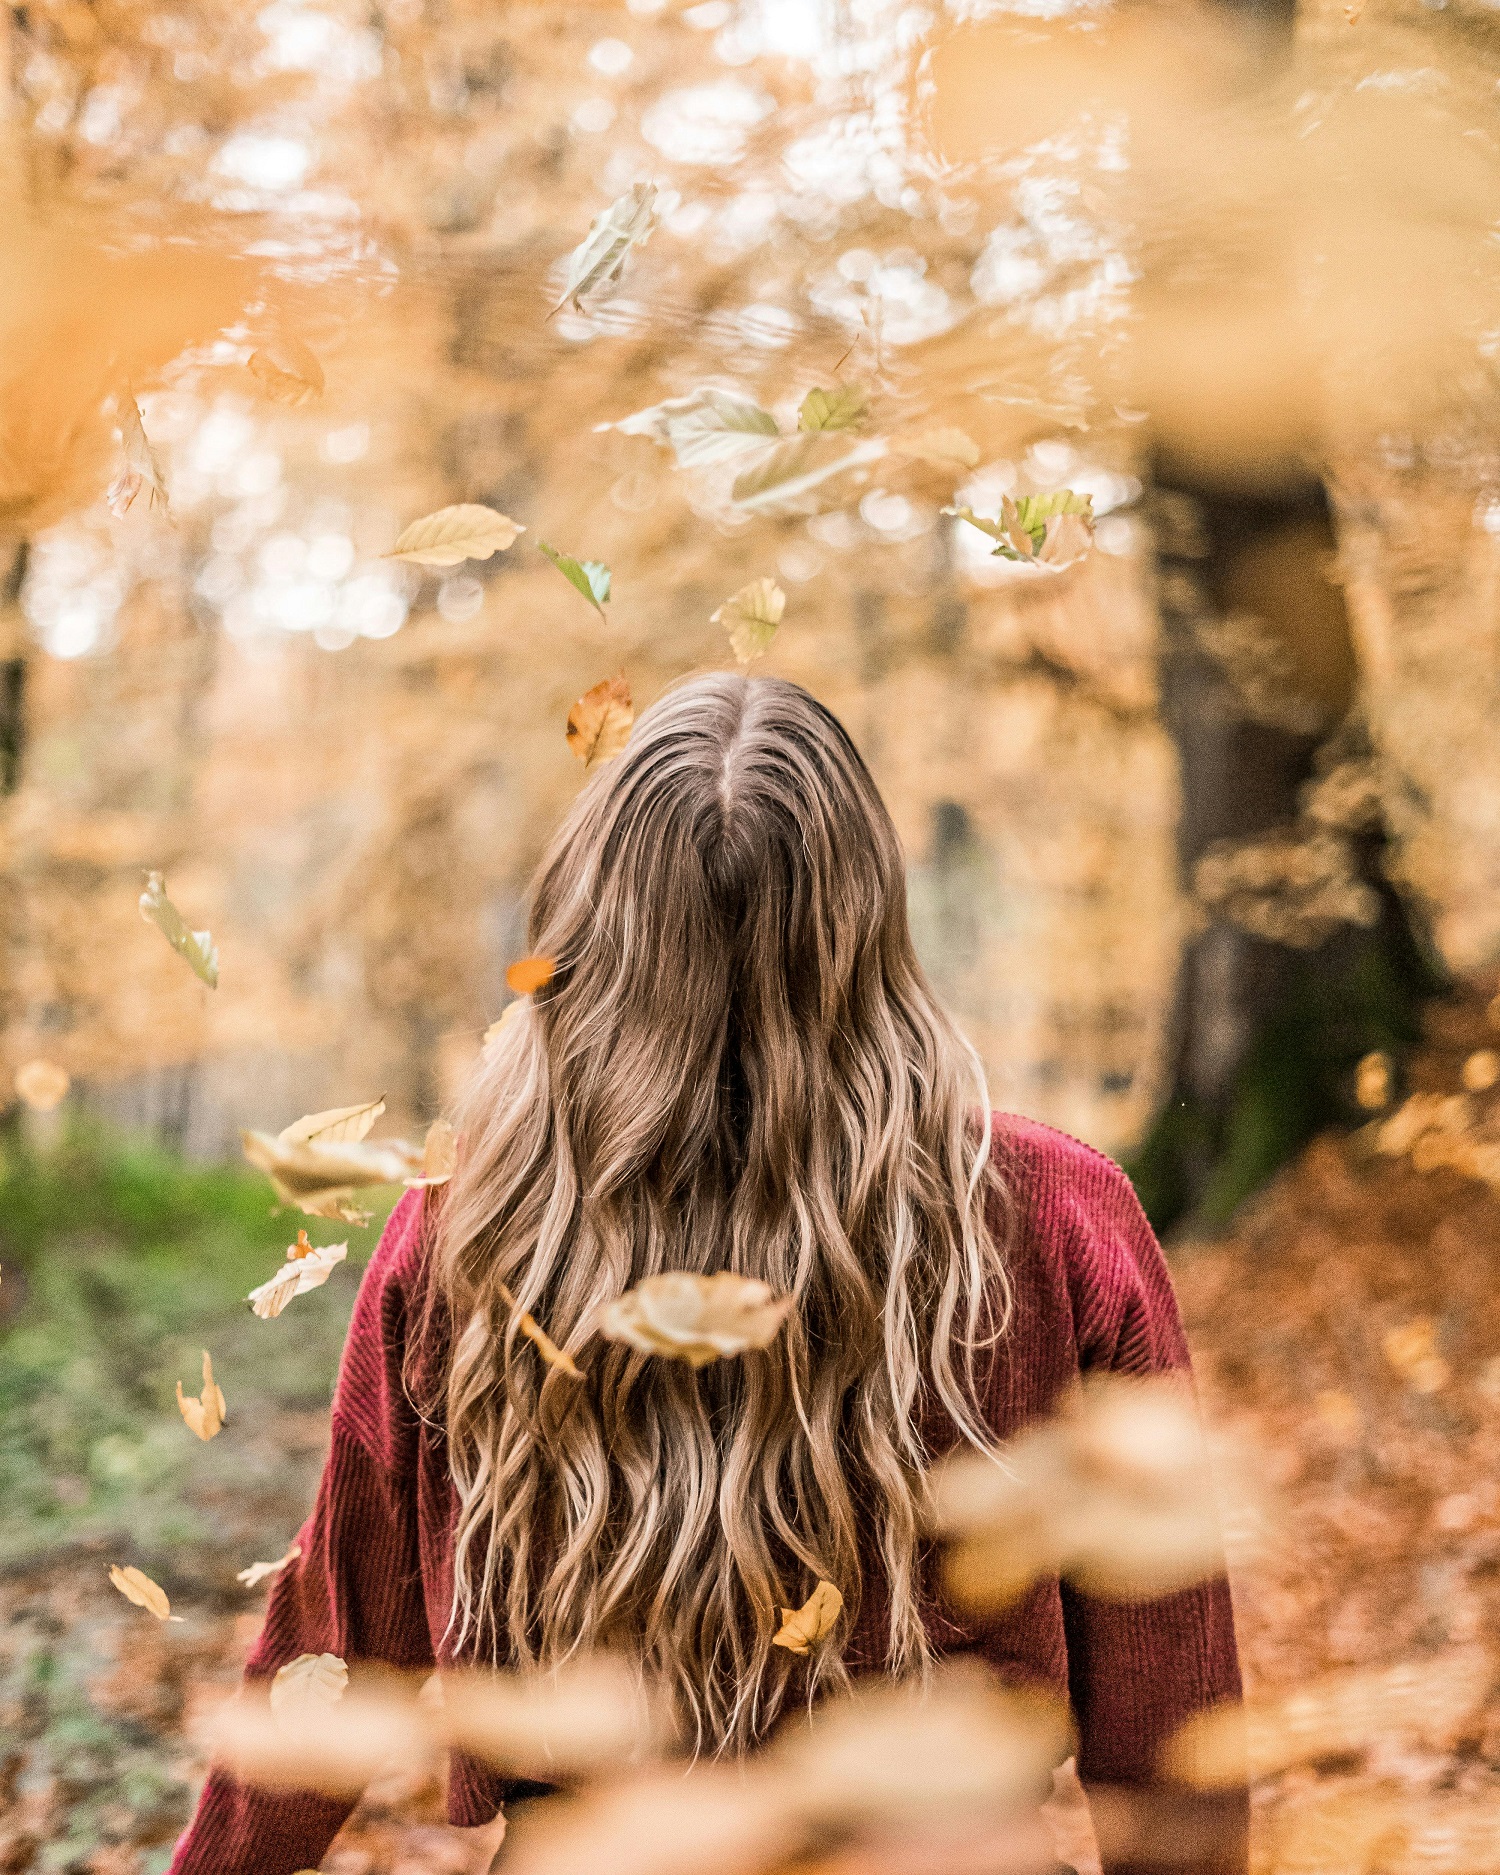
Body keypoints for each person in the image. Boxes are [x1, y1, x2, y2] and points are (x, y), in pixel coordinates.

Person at [168, 673, 1244, 1875]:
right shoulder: (1053, 1214)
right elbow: (1170, 1704)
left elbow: (333, 1647)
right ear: (869, 923)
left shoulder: (469, 1228)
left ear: (589, 929)